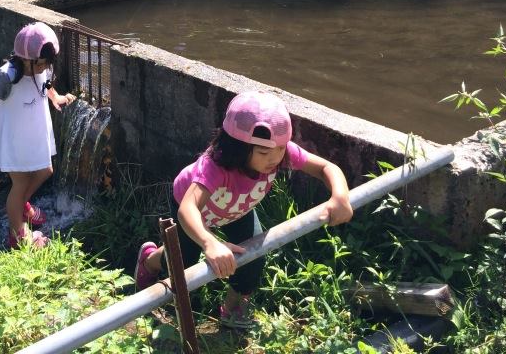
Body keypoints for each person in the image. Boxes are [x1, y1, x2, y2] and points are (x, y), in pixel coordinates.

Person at [132, 91, 353, 329]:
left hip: (238, 210)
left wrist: (339, 195)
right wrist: (210, 242)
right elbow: (188, 209)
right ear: (238, 148)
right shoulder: (215, 166)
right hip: (196, 213)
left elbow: (325, 167)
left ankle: (232, 309)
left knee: (253, 257)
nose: (276, 158)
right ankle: (150, 260)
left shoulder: (281, 151)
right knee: (183, 264)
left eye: (280, 149)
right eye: (264, 153)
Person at [0, 21, 76, 248]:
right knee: (20, 183)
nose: (42, 69)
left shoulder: (41, 67)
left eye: (46, 64)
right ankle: (18, 235)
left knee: (46, 170)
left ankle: (21, 205)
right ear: (23, 58)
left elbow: (47, 84)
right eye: (39, 64)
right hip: (13, 138)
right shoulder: (7, 75)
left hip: (34, 132)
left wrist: (57, 98)